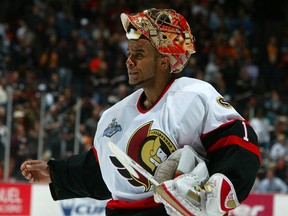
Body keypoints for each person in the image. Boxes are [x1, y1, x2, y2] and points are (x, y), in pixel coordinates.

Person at [20, 8, 261, 216]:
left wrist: (222, 185)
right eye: (129, 53)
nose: (129, 61)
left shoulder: (194, 96)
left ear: (164, 61)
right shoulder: (112, 117)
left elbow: (238, 141)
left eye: (139, 54)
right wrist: (56, 173)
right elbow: (101, 170)